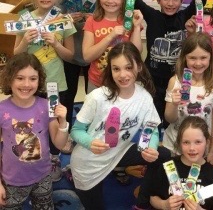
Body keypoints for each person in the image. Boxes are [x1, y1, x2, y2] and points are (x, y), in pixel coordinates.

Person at [105, 0, 213, 130]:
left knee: (172, 119)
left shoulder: (185, 16)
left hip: (175, 80)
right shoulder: (152, 15)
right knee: (151, 120)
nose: (170, 3)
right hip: (151, 79)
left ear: (182, 0)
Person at [70, 41, 170, 210]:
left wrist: (151, 148)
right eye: (116, 69)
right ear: (111, 69)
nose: (122, 75)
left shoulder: (144, 96)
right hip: (89, 161)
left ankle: (144, 200)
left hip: (119, 150)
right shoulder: (97, 97)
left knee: (163, 154)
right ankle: (75, 176)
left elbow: (151, 128)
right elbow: (76, 131)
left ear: (138, 66)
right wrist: (90, 142)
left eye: (128, 67)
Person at [13, 0, 76, 182]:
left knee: (54, 120)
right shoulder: (24, 19)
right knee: (32, 120)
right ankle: (33, 156)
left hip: (55, 83)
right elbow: (16, 54)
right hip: (29, 84)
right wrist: (25, 42)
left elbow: (70, 55)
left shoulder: (62, 19)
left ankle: (55, 158)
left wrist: (56, 44)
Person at [0, 53, 69, 209]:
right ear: (9, 78)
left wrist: (63, 121)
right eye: (20, 78)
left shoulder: (46, 106)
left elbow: (59, 143)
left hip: (43, 176)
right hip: (12, 180)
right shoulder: (2, 110)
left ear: (40, 80)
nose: (26, 84)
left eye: (33, 78)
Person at [164, 32, 213, 165]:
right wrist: (174, 104)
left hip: (200, 147)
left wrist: (212, 151)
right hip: (175, 145)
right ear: (184, 58)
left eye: (203, 58)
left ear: (210, 58)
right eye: (192, 58)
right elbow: (169, 119)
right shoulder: (175, 82)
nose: (198, 63)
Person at [60, 0, 98, 154]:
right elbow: (52, 22)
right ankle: (64, 135)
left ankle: (90, 133)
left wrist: (95, 20)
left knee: (94, 97)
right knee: (67, 96)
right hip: (70, 55)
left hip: (94, 55)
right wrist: (67, 21)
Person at [149, 116, 213, 210]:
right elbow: (153, 198)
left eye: (198, 142)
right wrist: (164, 205)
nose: (192, 148)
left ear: (207, 142)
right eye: (186, 142)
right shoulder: (166, 167)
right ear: (179, 143)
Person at [82, 0, 143, 93]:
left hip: (124, 82)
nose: (110, 1)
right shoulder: (92, 21)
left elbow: (137, 52)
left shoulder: (129, 21)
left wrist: (136, 27)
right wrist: (111, 35)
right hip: (97, 83)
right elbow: (87, 56)